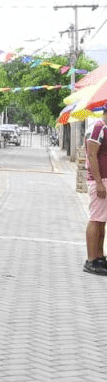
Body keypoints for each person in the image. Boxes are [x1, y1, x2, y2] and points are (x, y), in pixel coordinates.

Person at [83, 117, 107, 275]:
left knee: (101, 221)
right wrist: (99, 182)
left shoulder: (103, 128)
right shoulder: (98, 128)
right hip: (100, 180)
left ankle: (99, 256)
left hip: (104, 180)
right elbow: (92, 155)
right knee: (96, 219)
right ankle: (91, 260)